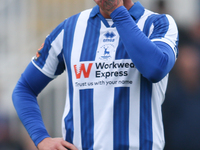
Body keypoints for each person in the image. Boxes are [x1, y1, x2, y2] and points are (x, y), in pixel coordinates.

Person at [12, 0, 179, 149]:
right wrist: (42, 139)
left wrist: (117, 11)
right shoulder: (70, 28)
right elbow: (24, 89)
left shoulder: (158, 23)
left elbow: (155, 69)